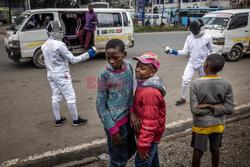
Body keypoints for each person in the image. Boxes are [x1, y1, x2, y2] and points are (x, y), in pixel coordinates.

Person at [41, 21, 96, 127]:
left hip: (51, 74)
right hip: (61, 74)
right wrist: (88, 54)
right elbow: (73, 60)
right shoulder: (60, 45)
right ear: (57, 32)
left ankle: (58, 119)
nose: (62, 32)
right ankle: (76, 120)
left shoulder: (44, 45)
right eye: (60, 30)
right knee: (70, 97)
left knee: (56, 96)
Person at [96, 39, 137, 167]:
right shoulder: (104, 75)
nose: (111, 61)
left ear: (124, 54)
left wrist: (132, 111)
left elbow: (130, 92)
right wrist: (112, 129)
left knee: (131, 149)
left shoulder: (129, 66)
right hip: (115, 124)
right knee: (118, 161)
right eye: (108, 58)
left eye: (115, 57)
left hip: (128, 120)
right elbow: (100, 105)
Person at [189, 53, 234, 167]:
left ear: (206, 64)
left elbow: (195, 110)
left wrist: (208, 106)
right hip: (218, 124)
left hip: (201, 125)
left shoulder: (195, 84)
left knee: (198, 152)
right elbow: (229, 109)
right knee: (215, 150)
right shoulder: (226, 84)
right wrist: (217, 107)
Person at [165, 19, 215, 106]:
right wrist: (172, 51)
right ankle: (183, 97)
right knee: (185, 80)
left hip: (203, 64)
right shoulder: (189, 38)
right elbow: (185, 52)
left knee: (203, 82)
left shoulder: (208, 37)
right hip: (192, 62)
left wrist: (213, 62)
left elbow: (212, 50)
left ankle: (203, 98)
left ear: (201, 28)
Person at [131, 53, 166, 167]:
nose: (137, 70)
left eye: (142, 68)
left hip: (148, 138)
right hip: (148, 137)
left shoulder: (150, 92)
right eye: (137, 66)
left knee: (142, 163)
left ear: (152, 73)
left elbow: (150, 122)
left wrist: (143, 147)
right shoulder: (143, 84)